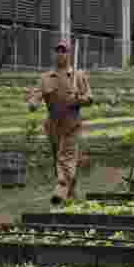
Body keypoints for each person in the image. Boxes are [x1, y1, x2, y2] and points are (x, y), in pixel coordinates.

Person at [26, 38, 92, 205]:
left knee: (65, 157)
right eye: (58, 51)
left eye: (64, 51)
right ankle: (70, 191)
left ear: (69, 54)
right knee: (59, 158)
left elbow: (89, 98)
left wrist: (78, 99)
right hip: (53, 124)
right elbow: (36, 95)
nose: (61, 54)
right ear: (54, 54)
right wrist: (33, 103)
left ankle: (60, 190)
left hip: (72, 123)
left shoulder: (78, 76)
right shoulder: (46, 78)